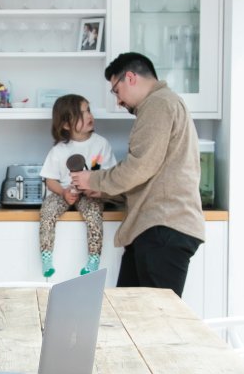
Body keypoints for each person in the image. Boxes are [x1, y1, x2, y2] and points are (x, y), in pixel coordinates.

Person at [70, 52, 205, 296]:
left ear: (130, 78)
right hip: (156, 228)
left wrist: (94, 179)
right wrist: (103, 190)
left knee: (153, 322)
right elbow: (151, 175)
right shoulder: (163, 103)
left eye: (116, 91)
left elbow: (140, 167)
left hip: (162, 227)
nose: (118, 101)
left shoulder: (158, 103)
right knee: (132, 316)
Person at [39, 94, 116, 278]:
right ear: (66, 124)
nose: (89, 115)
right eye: (81, 113)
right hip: (64, 192)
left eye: (88, 110)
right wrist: (64, 192)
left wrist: (96, 189)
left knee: (94, 215)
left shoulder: (101, 144)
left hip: (90, 193)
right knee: (47, 211)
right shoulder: (59, 150)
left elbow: (110, 175)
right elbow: (50, 180)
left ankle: (93, 259)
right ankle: (46, 255)